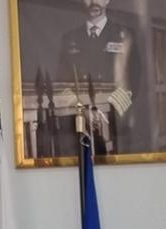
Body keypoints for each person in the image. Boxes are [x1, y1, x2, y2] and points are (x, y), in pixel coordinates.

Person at [56, 0, 143, 154]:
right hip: (81, 122)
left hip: (116, 121)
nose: (94, 2)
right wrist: (82, 111)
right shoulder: (69, 38)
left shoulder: (124, 35)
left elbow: (135, 78)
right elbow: (63, 83)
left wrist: (108, 108)